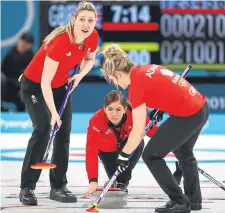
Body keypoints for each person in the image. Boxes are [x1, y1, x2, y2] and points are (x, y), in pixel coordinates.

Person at [100, 44, 209, 213]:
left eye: (113, 80)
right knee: (184, 153)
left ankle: (179, 201)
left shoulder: (136, 87)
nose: (117, 85)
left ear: (117, 73)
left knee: (151, 155)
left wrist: (124, 155)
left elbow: (138, 130)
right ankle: (194, 201)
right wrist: (161, 106)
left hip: (188, 115)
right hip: (201, 108)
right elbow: (167, 87)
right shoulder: (146, 69)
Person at [19, 1, 99, 206]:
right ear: (74, 20)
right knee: (44, 127)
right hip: (35, 86)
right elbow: (45, 81)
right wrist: (54, 113)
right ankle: (27, 187)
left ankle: (58, 186)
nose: (86, 24)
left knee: (63, 134)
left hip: (61, 85)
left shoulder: (93, 37)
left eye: (91, 20)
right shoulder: (60, 42)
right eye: (82, 19)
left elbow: (89, 59)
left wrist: (80, 75)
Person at [84, 90, 159, 198]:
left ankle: (122, 182)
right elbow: (91, 151)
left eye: (118, 109)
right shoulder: (96, 121)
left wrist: (175, 140)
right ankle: (118, 181)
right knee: (116, 177)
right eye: (110, 109)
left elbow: (152, 132)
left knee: (138, 141)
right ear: (104, 109)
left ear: (124, 109)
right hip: (107, 150)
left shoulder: (135, 113)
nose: (114, 114)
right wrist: (93, 180)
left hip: (127, 146)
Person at [1, 32, 34, 111]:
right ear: (18, 41)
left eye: (27, 43)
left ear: (30, 46)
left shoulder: (32, 58)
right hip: (8, 87)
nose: (23, 44)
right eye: (22, 41)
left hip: (22, 87)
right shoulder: (10, 55)